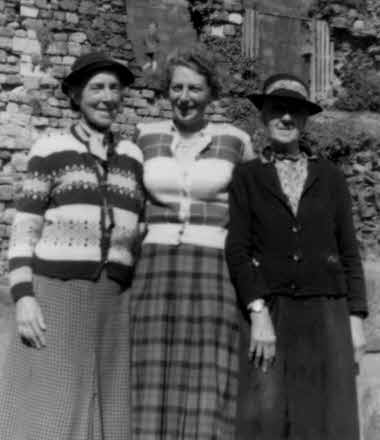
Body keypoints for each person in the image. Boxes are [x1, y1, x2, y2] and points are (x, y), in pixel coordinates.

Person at [0, 52, 144, 440]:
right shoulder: (50, 148)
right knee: (54, 401)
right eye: (97, 87)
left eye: (115, 88)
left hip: (114, 297)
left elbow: (138, 225)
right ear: (77, 95)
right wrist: (24, 295)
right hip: (58, 295)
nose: (107, 97)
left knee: (111, 403)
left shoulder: (131, 156)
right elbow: (25, 229)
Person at [225, 73, 368, 440]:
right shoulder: (247, 176)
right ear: (263, 115)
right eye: (278, 109)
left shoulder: (331, 177)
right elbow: (237, 248)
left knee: (325, 417)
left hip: (327, 311)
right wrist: (257, 312)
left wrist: (355, 321)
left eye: (295, 111)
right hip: (271, 312)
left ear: (305, 120)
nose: (286, 118)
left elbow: (349, 250)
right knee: (267, 415)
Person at [130, 46, 253, 439]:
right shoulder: (144, 136)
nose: (185, 97)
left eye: (195, 88)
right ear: (167, 92)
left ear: (211, 93)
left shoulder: (235, 140)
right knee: (150, 367)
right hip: (155, 265)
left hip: (214, 267)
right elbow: (128, 199)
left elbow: (252, 211)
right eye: (177, 87)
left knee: (208, 371)